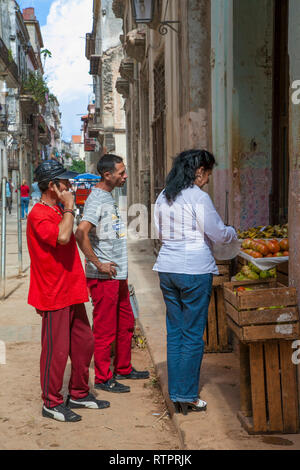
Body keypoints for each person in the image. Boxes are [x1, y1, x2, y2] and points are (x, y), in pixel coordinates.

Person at [153, 149, 237, 415]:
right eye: (208, 172)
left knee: (176, 331)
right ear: (199, 171)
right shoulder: (198, 197)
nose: (209, 178)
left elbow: (157, 231)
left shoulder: (163, 195)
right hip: (193, 270)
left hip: (167, 268)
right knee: (191, 334)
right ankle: (186, 394)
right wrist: (233, 232)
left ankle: (177, 392)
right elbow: (218, 233)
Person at [27, 160, 110, 423]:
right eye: (64, 182)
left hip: (71, 290)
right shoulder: (38, 214)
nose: (69, 186)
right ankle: (51, 402)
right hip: (53, 293)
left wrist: (69, 209)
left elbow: (71, 235)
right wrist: (71, 207)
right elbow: (63, 237)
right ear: (52, 186)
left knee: (84, 343)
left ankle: (79, 393)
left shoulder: (58, 211)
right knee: (57, 350)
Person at [75, 154, 149, 394]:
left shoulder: (109, 196)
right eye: (121, 172)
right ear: (107, 175)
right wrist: (98, 264)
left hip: (118, 274)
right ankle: (104, 377)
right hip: (104, 277)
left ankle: (123, 368)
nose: (125, 176)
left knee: (126, 322)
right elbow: (81, 233)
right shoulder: (97, 199)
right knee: (105, 328)